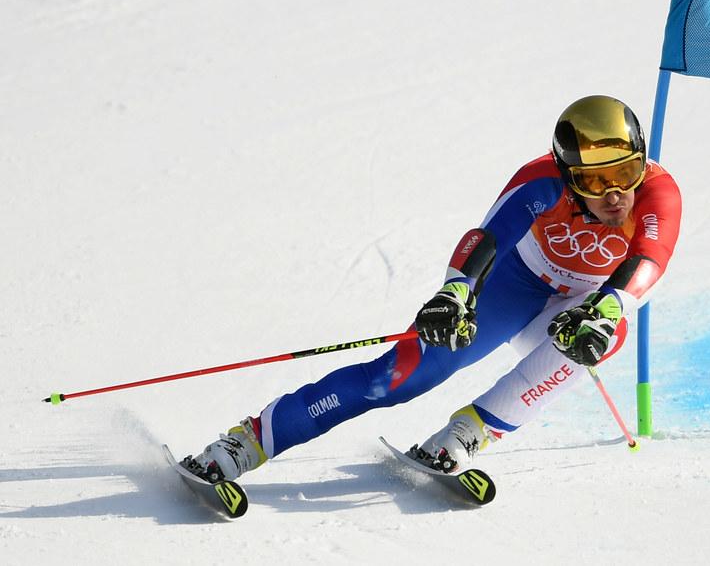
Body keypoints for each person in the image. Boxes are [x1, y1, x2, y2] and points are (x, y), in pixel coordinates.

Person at [181, 94, 682, 482]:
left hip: (581, 304)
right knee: (397, 378)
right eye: (595, 183)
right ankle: (248, 441)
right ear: (569, 177)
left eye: (626, 172)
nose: (616, 193)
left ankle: (467, 433)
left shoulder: (658, 192)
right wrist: (454, 292)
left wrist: (609, 306)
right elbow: (486, 239)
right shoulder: (541, 182)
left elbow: (649, 259)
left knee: (602, 334)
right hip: (515, 284)